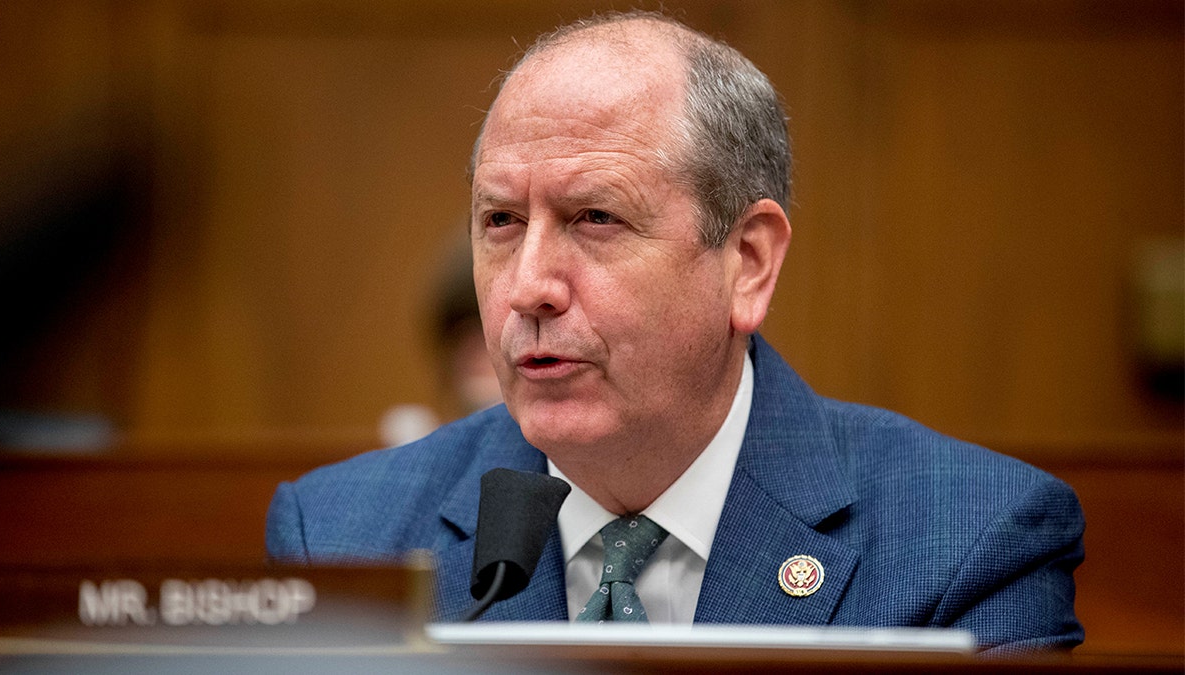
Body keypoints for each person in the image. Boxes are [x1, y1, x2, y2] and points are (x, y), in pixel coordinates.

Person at [266, 11, 1084, 654]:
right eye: (501, 221)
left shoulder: (969, 544)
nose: (527, 287)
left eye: (596, 217)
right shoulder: (341, 539)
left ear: (748, 262)